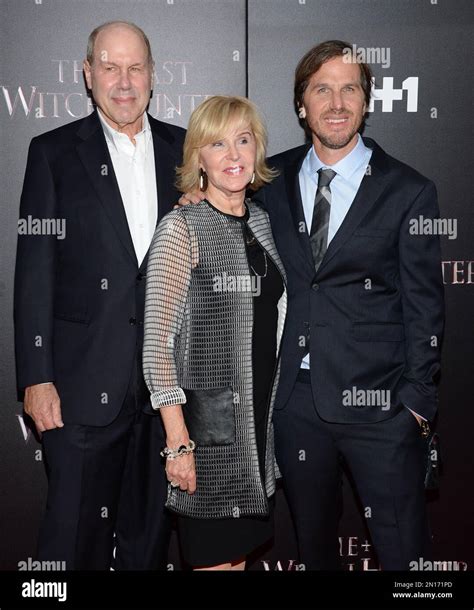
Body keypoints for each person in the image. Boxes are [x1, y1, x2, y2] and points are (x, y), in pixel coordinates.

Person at [253, 40, 445, 569]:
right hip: (294, 404)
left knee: (405, 555)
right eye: (322, 89)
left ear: (366, 102)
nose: (336, 103)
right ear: (301, 105)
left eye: (349, 89)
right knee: (311, 552)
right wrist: (195, 194)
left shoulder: (409, 191)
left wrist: (415, 405)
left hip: (381, 406)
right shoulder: (267, 180)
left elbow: (425, 306)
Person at [14, 21, 185, 569]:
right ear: (88, 75)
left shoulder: (187, 153)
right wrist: (36, 378)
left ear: (153, 76)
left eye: (136, 67)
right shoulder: (53, 154)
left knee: (148, 547)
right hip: (81, 393)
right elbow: (33, 274)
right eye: (110, 67)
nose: (124, 81)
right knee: (68, 548)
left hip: (165, 399)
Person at [143, 95, 286, 570]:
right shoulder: (181, 228)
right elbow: (157, 349)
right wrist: (178, 443)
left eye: (243, 141)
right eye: (217, 143)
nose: (233, 155)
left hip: (255, 438)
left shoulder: (263, 223)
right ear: (197, 158)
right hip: (207, 440)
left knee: (237, 562)